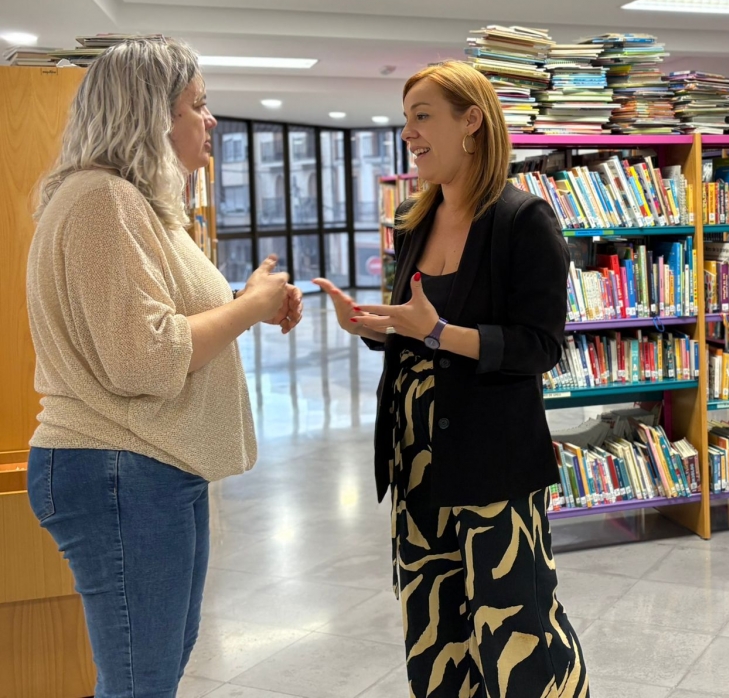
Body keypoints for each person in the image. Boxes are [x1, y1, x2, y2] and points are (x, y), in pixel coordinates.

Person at [24, 37, 303, 698]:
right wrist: (250, 307)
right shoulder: (104, 200)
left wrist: (248, 305)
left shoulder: (143, 206)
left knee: (156, 667)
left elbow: (154, 328)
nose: (211, 121)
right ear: (151, 115)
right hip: (119, 465)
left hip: (149, 465)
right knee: (140, 682)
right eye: (197, 105)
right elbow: (143, 358)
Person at [314, 60, 588, 698]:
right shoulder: (414, 216)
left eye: (422, 116)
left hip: (493, 458)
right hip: (414, 457)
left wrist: (438, 333)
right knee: (432, 621)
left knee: (514, 621)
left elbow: (540, 346)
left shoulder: (524, 221)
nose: (409, 132)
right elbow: (415, 327)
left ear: (472, 122)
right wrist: (369, 324)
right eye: (406, 119)